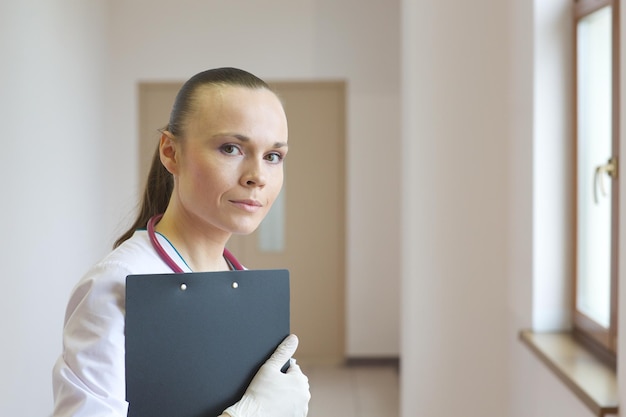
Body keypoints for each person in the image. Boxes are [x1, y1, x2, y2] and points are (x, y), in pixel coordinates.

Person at [51, 67, 311, 417]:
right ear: (171, 152)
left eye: (273, 156)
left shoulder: (246, 283)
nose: (257, 177)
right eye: (231, 148)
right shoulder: (116, 286)